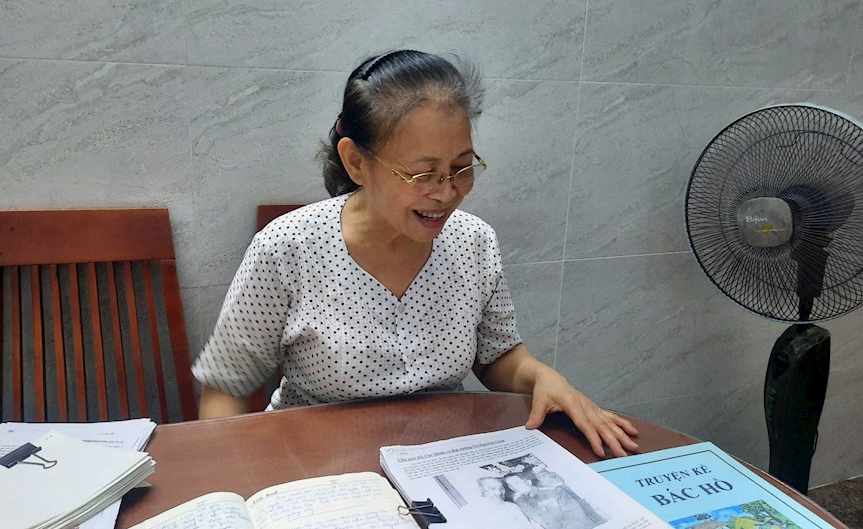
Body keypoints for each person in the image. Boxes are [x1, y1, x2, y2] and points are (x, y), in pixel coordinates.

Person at [191, 49, 638, 458]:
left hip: (440, 464)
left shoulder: (473, 242)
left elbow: (497, 355)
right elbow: (227, 384)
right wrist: (228, 479)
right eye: (423, 174)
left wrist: (541, 376)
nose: (446, 192)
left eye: (461, 167)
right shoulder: (288, 248)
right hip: (318, 467)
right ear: (356, 162)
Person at [503, 471, 606, 529]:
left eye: (516, 483)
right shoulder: (519, 502)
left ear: (528, 482)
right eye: (510, 485)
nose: (514, 487)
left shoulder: (554, 491)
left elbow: (575, 516)